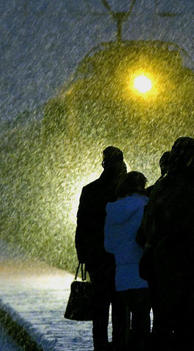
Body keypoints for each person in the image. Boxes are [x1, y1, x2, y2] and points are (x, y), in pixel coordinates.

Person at [144, 137, 194, 350]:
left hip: (163, 272)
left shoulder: (160, 187)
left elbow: (148, 229)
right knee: (190, 331)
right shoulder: (193, 192)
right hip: (188, 274)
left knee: (163, 328)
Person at [76, 146, 129, 350]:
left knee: (100, 308)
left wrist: (83, 254)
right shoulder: (124, 193)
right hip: (121, 258)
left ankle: (100, 346)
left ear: (103, 163)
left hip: (97, 259)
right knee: (121, 308)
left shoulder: (90, 190)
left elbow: (82, 225)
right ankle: (119, 345)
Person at [104, 171, 151, 351]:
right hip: (142, 273)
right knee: (142, 324)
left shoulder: (113, 210)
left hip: (121, 275)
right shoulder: (146, 207)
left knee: (123, 323)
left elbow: (109, 246)